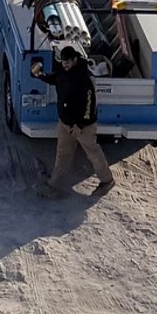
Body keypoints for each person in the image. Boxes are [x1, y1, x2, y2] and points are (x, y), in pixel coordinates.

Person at [48, 39, 112, 197]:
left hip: (82, 126)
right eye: (63, 62)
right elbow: (56, 79)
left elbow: (90, 104)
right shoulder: (63, 72)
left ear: (75, 60)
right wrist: (40, 75)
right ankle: (54, 184)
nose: (65, 65)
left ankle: (107, 181)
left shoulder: (83, 78)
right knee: (63, 153)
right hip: (65, 123)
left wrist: (80, 124)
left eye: (68, 62)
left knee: (93, 153)